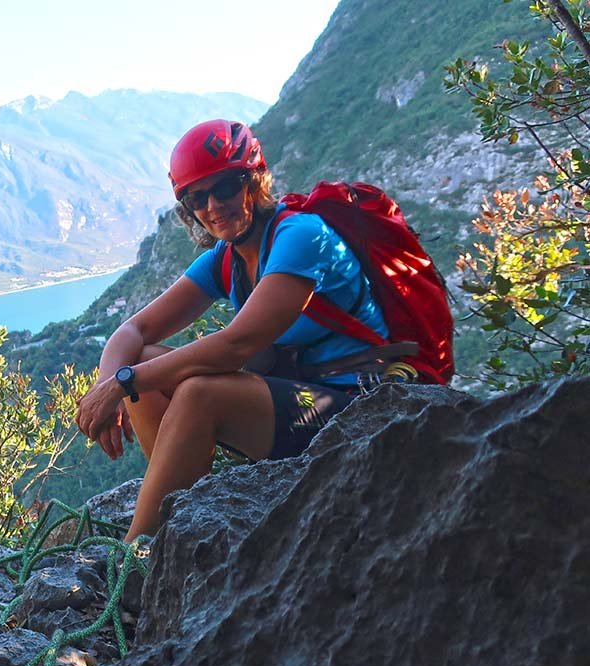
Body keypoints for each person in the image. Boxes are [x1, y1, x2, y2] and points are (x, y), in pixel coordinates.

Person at [75, 119, 391, 542]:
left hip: (358, 410)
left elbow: (236, 345)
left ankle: (139, 551)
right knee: (142, 359)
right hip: (301, 401)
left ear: (253, 182)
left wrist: (122, 383)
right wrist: (107, 386)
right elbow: (134, 330)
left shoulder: (300, 236)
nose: (212, 206)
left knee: (198, 393)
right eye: (196, 198)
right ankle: (178, 513)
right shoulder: (227, 259)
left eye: (225, 187)